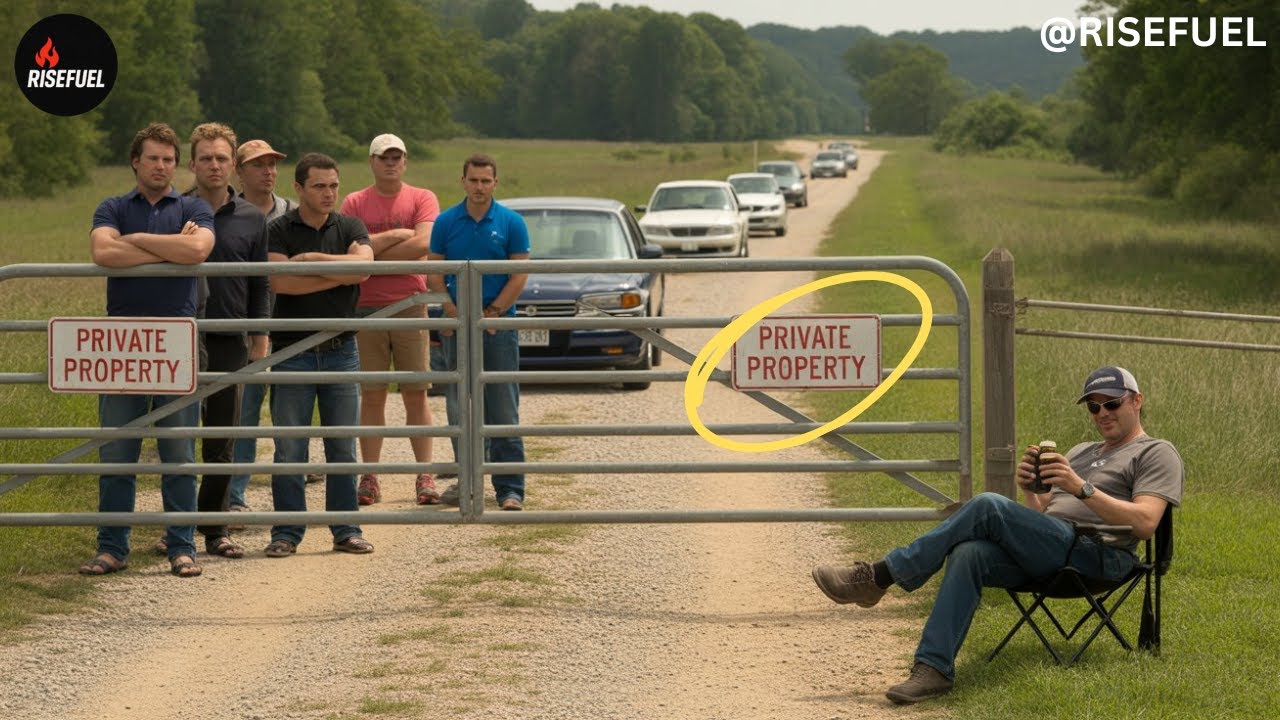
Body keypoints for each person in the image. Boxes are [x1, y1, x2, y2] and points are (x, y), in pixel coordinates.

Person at [810, 366, 1183, 704]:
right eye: (1093, 407)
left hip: (1098, 556)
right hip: (1054, 551)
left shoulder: (1155, 452)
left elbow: (1146, 522)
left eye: (1112, 403)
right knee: (970, 552)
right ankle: (933, 669)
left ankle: (880, 576)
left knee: (988, 504)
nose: (1102, 414)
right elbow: (1046, 517)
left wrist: (1080, 487)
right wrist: (1030, 492)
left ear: (1136, 401)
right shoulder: (1082, 451)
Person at [81, 122, 215, 578]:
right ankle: (112, 548)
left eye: (169, 159)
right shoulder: (112, 206)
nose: (161, 166)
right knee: (118, 453)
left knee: (179, 454)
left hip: (175, 341)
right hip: (122, 345)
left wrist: (134, 240)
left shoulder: (194, 206)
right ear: (135, 161)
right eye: (153, 158)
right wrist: (169, 248)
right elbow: (104, 255)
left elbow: (198, 250)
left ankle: (182, 547)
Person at [263, 152, 375, 557]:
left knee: (342, 446)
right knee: (290, 447)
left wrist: (311, 262)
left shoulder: (350, 225)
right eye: (319, 186)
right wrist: (337, 273)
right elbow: (281, 284)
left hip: (341, 350)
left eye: (333, 185)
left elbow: (363, 271)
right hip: (292, 350)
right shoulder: (278, 230)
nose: (329, 193)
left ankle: (346, 529)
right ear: (298, 188)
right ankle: (286, 533)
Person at [182, 122, 270, 560]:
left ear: (232, 164)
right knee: (177, 436)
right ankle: (174, 530)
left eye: (221, 158)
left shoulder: (252, 216)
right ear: (192, 163)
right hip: (180, 337)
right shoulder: (173, 209)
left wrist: (260, 333)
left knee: (222, 437)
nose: (214, 165)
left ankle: (214, 529)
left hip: (230, 338)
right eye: (205, 158)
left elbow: (260, 283)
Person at [341, 134, 441, 506]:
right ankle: (369, 476)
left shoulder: (422, 197)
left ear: (406, 161)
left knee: (416, 393)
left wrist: (373, 248)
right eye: (384, 157)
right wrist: (397, 236)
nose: (390, 163)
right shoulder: (354, 201)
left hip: (411, 305)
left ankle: (424, 475)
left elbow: (423, 245)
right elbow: (350, 249)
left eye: (396, 157)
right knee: (372, 395)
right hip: (365, 307)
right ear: (371, 161)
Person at [426, 154, 529, 511]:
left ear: (495, 183)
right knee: (459, 408)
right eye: (474, 180)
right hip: (457, 326)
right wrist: (450, 310)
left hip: (496, 327)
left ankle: (509, 488)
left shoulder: (511, 222)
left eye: (486, 181)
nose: (480, 187)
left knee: (502, 406)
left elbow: (519, 274)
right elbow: (434, 271)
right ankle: (466, 481)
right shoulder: (445, 222)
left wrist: (495, 311)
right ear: (463, 181)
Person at [227, 139, 302, 523]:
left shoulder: (293, 212)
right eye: (258, 165)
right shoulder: (228, 213)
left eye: (273, 164)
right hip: (244, 328)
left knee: (290, 417)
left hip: (289, 327)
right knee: (244, 414)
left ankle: (289, 500)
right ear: (239, 172)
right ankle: (235, 495)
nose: (269, 171)